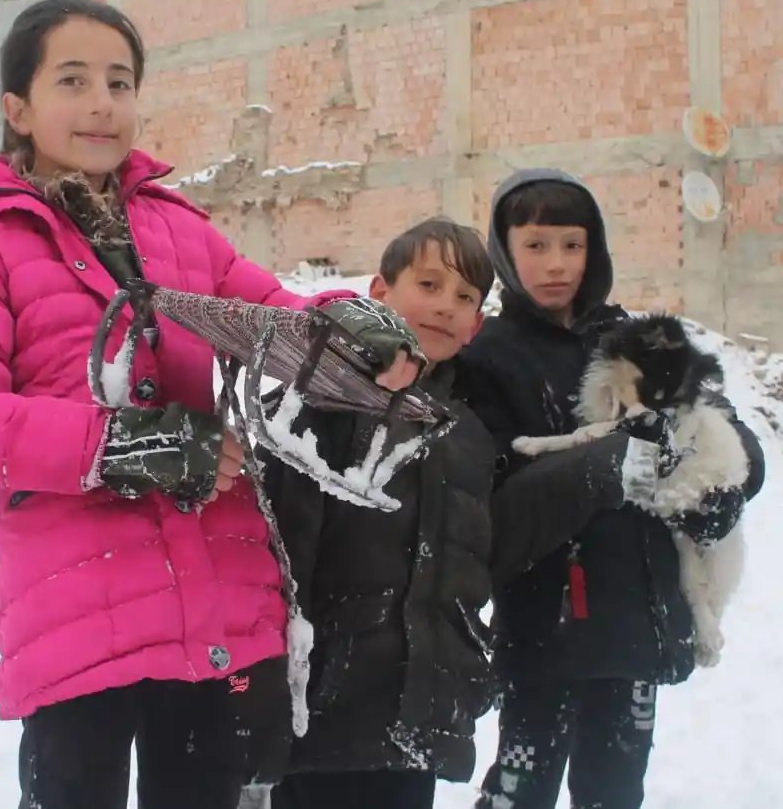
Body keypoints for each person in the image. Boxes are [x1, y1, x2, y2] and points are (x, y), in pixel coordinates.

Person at [0, 0, 423, 809]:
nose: (102, 102)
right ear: (18, 107)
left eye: (120, 80)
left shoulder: (177, 230)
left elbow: (269, 311)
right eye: (71, 80)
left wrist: (351, 331)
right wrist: (130, 444)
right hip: (78, 613)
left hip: (208, 609)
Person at [257, 219, 639, 809]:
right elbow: (273, 558)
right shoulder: (320, 400)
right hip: (322, 717)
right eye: (429, 285)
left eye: (465, 298)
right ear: (379, 293)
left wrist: (590, 472)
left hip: (419, 716)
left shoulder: (466, 434)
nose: (445, 307)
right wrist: (259, 699)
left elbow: (485, 552)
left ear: (476, 327)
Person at [459, 170, 767, 809]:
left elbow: (730, 432)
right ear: (505, 250)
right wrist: (604, 465)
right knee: (522, 790)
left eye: (572, 245)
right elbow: (497, 501)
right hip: (545, 619)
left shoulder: (638, 338)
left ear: (593, 250)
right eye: (536, 245)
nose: (556, 265)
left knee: (616, 791)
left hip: (635, 615)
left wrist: (722, 490)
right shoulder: (487, 357)